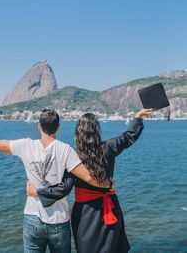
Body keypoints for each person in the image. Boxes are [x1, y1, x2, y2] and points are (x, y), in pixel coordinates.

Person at [0, 109, 110, 253]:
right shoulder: (66, 150)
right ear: (58, 127)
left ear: (39, 126)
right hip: (59, 220)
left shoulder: (26, 145)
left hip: (33, 218)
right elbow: (88, 177)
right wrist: (108, 184)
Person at [26, 108, 153, 253]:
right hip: (110, 209)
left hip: (85, 213)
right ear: (97, 130)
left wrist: (38, 192)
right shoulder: (109, 147)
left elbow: (64, 188)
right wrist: (138, 117)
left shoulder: (73, 156)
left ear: (78, 132)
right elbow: (129, 136)